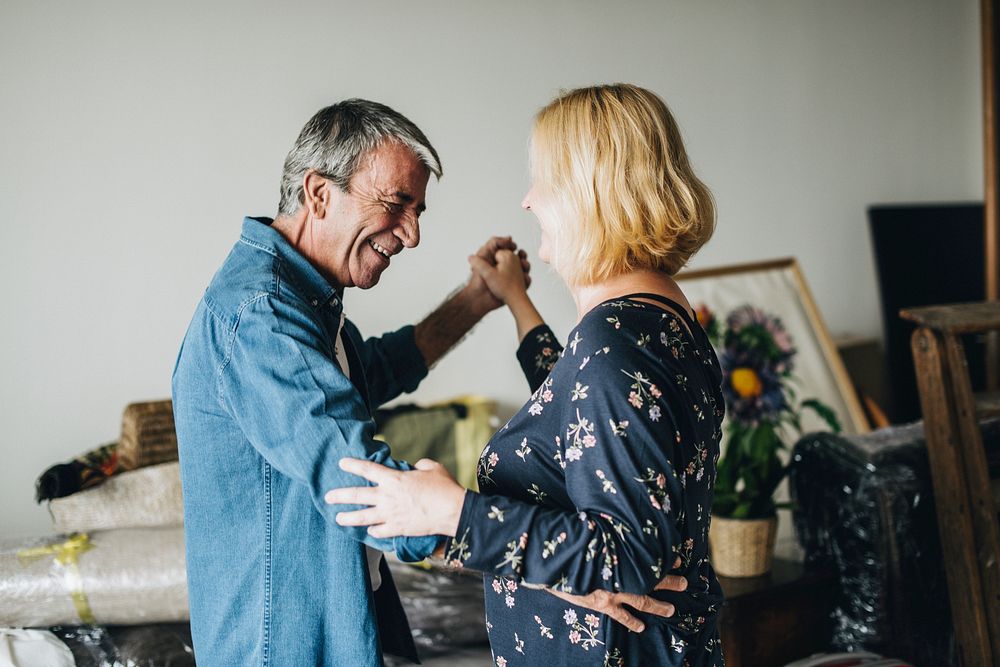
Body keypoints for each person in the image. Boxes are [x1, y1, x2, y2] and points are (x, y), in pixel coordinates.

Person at [172, 97, 686, 667]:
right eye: (397, 204)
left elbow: (374, 370)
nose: (412, 234)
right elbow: (362, 486)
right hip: (284, 639)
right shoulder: (261, 317)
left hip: (345, 610)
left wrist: (479, 299)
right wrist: (555, 567)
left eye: (418, 211)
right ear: (318, 193)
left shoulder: (302, 297)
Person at [327, 84, 726, 667]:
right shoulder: (658, 322)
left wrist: (450, 512)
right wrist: (514, 300)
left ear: (589, 193)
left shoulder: (612, 343)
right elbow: (578, 411)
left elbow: (630, 558)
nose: (529, 201)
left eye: (544, 182)